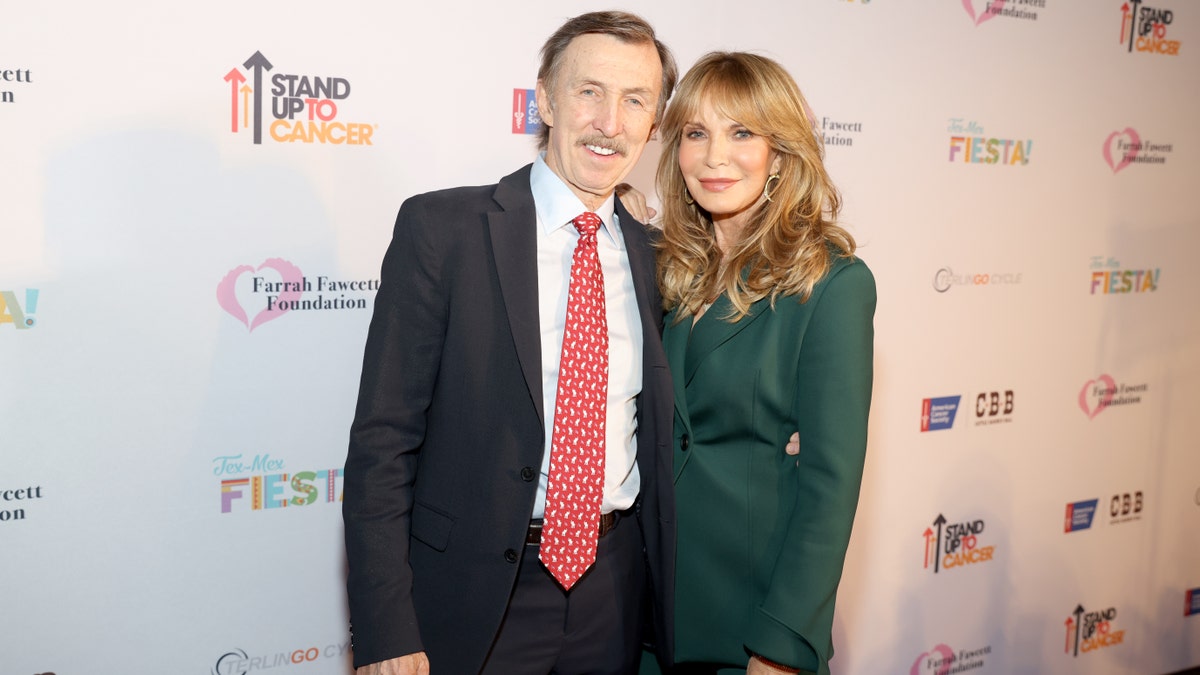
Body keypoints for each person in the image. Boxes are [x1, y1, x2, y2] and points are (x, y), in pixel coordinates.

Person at [342, 11, 679, 675]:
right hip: (471, 593)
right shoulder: (444, 230)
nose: (610, 121)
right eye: (589, 91)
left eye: (634, 99)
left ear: (653, 121)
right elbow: (383, 442)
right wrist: (385, 626)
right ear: (547, 99)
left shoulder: (655, 256)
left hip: (614, 589)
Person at [651, 52, 876, 675]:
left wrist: (779, 648)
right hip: (648, 620)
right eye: (696, 133)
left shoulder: (831, 283)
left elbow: (830, 484)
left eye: (742, 132)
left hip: (748, 625)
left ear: (781, 151)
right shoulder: (665, 269)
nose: (714, 156)